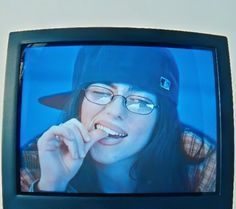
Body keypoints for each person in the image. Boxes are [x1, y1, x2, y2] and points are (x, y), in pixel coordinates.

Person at [20, 45, 216, 193]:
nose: (115, 112)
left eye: (140, 101)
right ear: (78, 104)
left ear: (161, 120)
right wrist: (52, 186)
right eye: (100, 92)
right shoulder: (38, 158)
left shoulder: (203, 161)